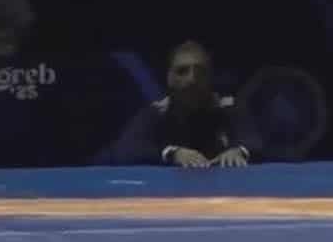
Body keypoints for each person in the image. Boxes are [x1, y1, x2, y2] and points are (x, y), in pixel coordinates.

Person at [103, 42, 263, 168]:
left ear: (210, 78)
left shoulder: (229, 108)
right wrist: (173, 153)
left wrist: (239, 151)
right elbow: (125, 150)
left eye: (200, 72)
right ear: (169, 78)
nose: (192, 79)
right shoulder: (157, 112)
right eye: (182, 71)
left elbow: (254, 142)